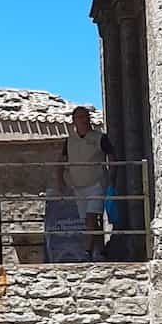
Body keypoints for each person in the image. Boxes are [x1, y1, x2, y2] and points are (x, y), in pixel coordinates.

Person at [57, 105, 115, 262]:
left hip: (97, 184)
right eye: (80, 117)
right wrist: (60, 181)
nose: (84, 120)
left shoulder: (100, 138)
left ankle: (86, 251)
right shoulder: (69, 141)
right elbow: (61, 161)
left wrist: (112, 178)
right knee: (90, 221)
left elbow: (112, 156)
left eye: (86, 117)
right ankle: (101, 252)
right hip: (78, 185)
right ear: (74, 121)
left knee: (91, 217)